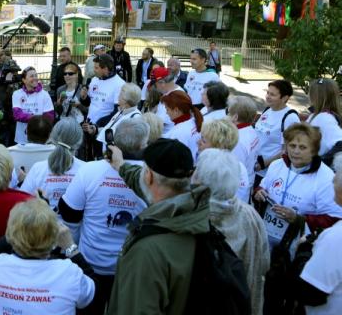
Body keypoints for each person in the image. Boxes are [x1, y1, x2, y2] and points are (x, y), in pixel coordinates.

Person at [105, 138, 206, 315]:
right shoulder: (202, 213)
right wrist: (121, 165)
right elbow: (145, 182)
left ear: (149, 176)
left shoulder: (146, 251)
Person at [58, 119, 149, 314]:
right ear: (144, 144)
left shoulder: (90, 170)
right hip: (130, 266)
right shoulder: (152, 177)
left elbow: (69, 213)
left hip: (91, 261)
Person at [0, 199, 95, 314]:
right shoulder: (69, 273)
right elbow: (94, 295)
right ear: (54, 236)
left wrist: (18, 232)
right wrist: (70, 247)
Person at [192, 149, 269, 315]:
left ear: (201, 181)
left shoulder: (194, 219)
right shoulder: (250, 215)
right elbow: (264, 262)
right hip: (245, 303)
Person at [254, 123, 342, 247]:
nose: (296, 151)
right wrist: (258, 192)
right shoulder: (277, 165)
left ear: (314, 150)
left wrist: (298, 219)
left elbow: (334, 219)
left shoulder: (326, 178)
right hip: (263, 236)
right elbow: (262, 187)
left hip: (296, 245)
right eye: (292, 145)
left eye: (302, 147)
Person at [298, 154, 342, 314]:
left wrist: (304, 251)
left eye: (337, 173)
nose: (333, 179)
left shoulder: (336, 238)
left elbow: (310, 292)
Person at [20, 118, 84, 209]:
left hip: (43, 218)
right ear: (79, 142)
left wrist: (21, 183)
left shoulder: (37, 169)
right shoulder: (87, 170)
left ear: (52, 137)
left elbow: (22, 204)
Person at [254, 79, 301, 179]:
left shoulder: (290, 117)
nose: (268, 96)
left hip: (269, 174)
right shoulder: (268, 110)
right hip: (254, 168)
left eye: (272, 94)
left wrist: (263, 164)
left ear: (284, 98)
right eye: (267, 93)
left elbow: (287, 150)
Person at [197, 119, 252, 203]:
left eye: (203, 141)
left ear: (219, 146)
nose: (198, 142)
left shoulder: (221, 171)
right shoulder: (235, 164)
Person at [82, 54, 125, 159]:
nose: (94, 70)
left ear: (105, 69)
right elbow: (89, 103)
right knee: (88, 157)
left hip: (103, 130)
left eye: (96, 68)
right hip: (88, 126)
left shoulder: (119, 84)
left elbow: (117, 112)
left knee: (100, 159)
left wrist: (98, 125)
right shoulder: (95, 79)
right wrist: (84, 97)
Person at [11, 66, 54, 144]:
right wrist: (37, 118)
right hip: (22, 139)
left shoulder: (45, 94)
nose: (35, 78)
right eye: (31, 76)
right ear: (24, 80)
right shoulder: (17, 94)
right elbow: (17, 115)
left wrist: (30, 117)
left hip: (40, 138)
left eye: (36, 75)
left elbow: (49, 117)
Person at [161, 90, 203, 161]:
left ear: (176, 110)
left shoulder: (177, 133)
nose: (166, 113)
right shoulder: (194, 120)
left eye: (167, 109)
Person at [228, 96, 260, 190]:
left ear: (235, 117)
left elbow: (234, 171)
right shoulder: (251, 130)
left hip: (236, 189)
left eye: (228, 112)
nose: (227, 115)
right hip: (248, 180)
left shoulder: (237, 140)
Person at [307, 78, 342, 162]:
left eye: (310, 92)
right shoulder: (319, 115)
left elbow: (340, 144)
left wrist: (321, 162)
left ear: (315, 96)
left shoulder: (325, 118)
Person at [97, 83, 142, 147]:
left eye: (120, 94)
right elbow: (110, 130)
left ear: (126, 100)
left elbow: (127, 143)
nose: (118, 96)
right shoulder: (122, 111)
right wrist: (95, 130)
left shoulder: (135, 118)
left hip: (114, 151)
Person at [153, 66, 185, 135]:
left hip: (167, 136)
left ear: (162, 83)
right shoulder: (169, 91)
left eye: (155, 85)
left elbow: (160, 122)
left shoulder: (174, 96)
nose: (155, 88)